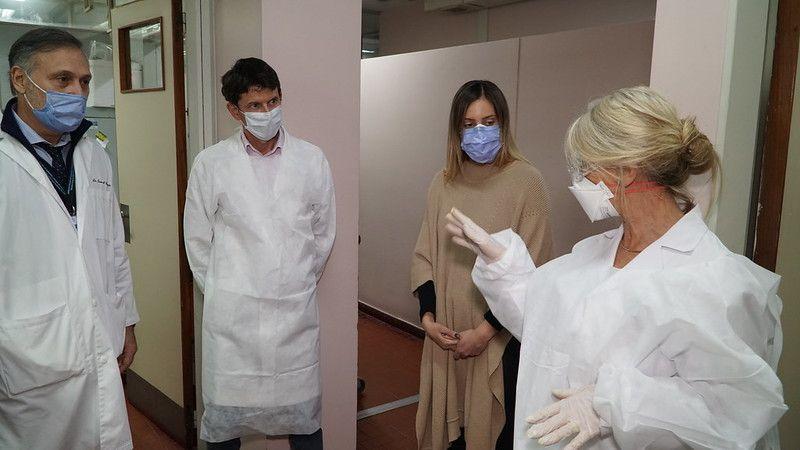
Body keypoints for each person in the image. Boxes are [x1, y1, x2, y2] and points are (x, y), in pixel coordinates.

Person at [446, 86, 787, 449]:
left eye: (586, 167)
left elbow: (734, 413)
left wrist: (611, 402)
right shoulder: (594, 252)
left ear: (626, 171)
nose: (580, 180)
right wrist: (503, 265)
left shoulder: (714, 282)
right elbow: (546, 331)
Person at [184, 57, 335, 450]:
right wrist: (226, 290)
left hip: (294, 317)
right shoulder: (211, 164)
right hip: (233, 323)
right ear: (234, 111)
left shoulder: (311, 159)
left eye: (273, 101)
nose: (267, 112)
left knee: (304, 420)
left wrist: (296, 279)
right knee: (225, 424)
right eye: (255, 105)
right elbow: (197, 241)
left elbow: (323, 234)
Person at [0, 28, 139, 449]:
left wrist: (126, 321)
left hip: (102, 338)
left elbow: (112, 245)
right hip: (27, 358)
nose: (77, 92)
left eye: (84, 81)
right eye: (63, 79)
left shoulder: (93, 151)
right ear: (20, 79)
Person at [411, 80, 553, 450]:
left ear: (503, 123)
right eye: (469, 124)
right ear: (456, 130)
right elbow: (425, 255)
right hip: (445, 336)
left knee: (491, 433)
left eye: (488, 123)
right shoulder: (442, 183)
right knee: (450, 438)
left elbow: (535, 270)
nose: (479, 133)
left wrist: (483, 333)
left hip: (497, 342)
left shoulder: (527, 182)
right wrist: (428, 319)